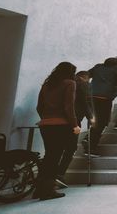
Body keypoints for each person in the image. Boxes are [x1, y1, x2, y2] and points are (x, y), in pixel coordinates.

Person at [34, 62, 80, 201]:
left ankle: (39, 189)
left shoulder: (47, 84)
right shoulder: (70, 83)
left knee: (49, 156)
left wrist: (46, 119)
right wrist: (75, 125)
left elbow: (39, 107)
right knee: (55, 158)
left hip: (45, 125)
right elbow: (68, 107)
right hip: (61, 125)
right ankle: (48, 190)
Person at [55, 70, 94, 189]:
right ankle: (59, 174)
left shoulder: (62, 83)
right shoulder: (83, 84)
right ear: (85, 77)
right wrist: (90, 116)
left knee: (56, 149)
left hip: (57, 120)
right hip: (73, 121)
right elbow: (86, 101)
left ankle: (49, 175)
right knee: (71, 148)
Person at [88, 58, 117, 156]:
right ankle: (91, 147)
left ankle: (88, 140)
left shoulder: (98, 67)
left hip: (92, 96)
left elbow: (87, 75)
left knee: (95, 120)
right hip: (104, 98)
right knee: (103, 122)